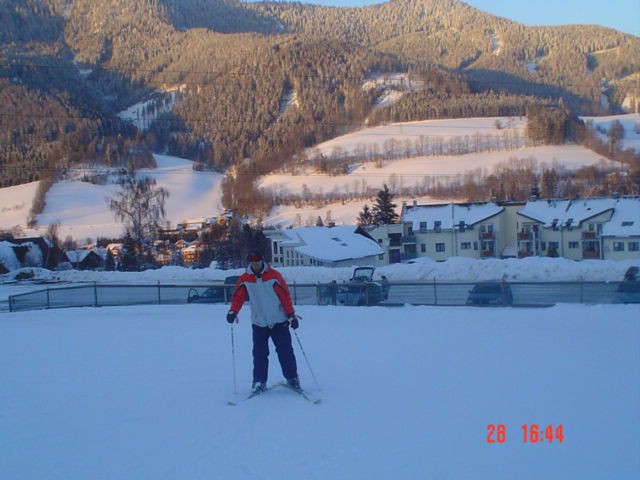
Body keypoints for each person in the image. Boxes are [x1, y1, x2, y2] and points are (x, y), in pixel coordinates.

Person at [226, 250, 301, 394]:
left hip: (279, 321)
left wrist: (291, 314)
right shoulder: (245, 279)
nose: (255, 263)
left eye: (257, 260)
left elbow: (285, 296)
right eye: (252, 260)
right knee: (259, 354)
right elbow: (238, 297)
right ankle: (259, 381)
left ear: (262, 260)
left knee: (285, 352)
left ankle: (292, 378)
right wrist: (233, 311)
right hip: (259, 322)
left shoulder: (274, 276)